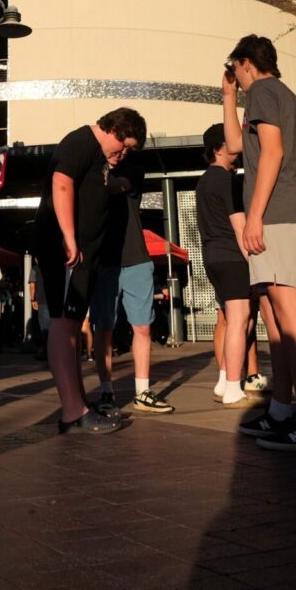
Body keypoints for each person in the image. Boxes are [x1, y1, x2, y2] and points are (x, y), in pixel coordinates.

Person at [224, 36, 296, 453]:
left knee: (289, 310)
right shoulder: (277, 94)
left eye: (236, 69)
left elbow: (272, 153)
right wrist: (227, 97)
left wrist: (254, 216)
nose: (235, 76)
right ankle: (284, 411)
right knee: (275, 316)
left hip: (277, 211)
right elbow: (237, 147)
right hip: (279, 209)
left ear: (247, 63)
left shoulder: (264, 91)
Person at [33, 108, 146, 434]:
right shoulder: (81, 141)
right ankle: (73, 412)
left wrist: (111, 186)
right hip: (68, 252)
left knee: (70, 325)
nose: (123, 154)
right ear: (114, 130)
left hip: (81, 254)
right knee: (64, 324)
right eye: (123, 146)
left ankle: (78, 404)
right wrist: (69, 237)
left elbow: (88, 188)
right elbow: (62, 183)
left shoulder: (96, 155)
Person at [97, 155, 174, 414]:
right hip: (104, 261)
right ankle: (106, 391)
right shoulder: (92, 168)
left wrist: (96, 174)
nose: (119, 151)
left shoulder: (132, 170)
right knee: (104, 328)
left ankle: (142, 392)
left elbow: (116, 186)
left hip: (136, 258)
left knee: (142, 327)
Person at [199, 122, 258, 413]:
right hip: (232, 256)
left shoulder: (203, 181)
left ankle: (224, 381)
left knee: (231, 318)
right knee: (239, 319)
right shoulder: (227, 180)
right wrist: (253, 261)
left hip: (212, 257)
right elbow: (239, 226)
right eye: (231, 142)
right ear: (218, 149)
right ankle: (234, 389)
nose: (237, 146)